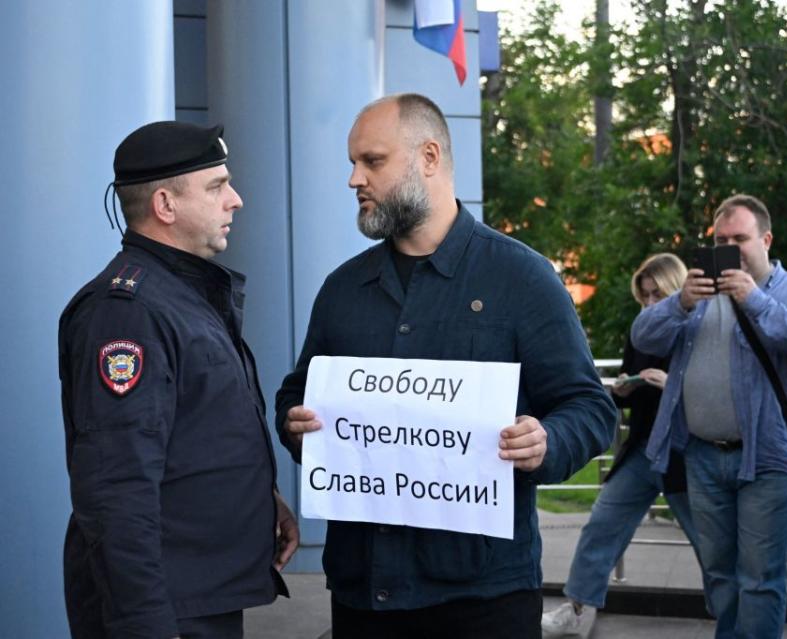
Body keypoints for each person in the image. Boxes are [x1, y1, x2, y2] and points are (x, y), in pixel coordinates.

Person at [273, 93, 616, 639]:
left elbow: (590, 407)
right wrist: (297, 423)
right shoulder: (342, 290)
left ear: (429, 157)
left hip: (483, 598)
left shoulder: (522, 278)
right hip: (365, 595)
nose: (354, 179)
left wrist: (546, 440)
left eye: (372, 161)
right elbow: (296, 394)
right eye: (352, 163)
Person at [58, 121, 299, 639]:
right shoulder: (128, 313)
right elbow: (116, 488)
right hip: (164, 607)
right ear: (165, 205)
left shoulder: (181, 295)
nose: (235, 200)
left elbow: (196, 430)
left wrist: (263, 500)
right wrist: (146, 624)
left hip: (197, 592)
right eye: (216, 186)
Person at [632, 194, 787, 638]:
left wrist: (755, 300)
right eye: (721, 239)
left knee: (760, 576)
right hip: (703, 455)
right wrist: (678, 302)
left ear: (766, 239)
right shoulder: (697, 294)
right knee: (718, 570)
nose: (730, 247)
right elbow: (644, 336)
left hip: (769, 456)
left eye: (740, 238)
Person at [541, 253, 705, 638]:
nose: (649, 303)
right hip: (644, 449)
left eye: (656, 294)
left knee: (709, 543)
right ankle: (579, 611)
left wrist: (674, 386)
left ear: (676, 289)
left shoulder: (700, 325)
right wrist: (624, 390)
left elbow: (715, 394)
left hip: (683, 453)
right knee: (602, 524)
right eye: (644, 295)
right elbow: (631, 398)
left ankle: (732, 617)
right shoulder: (643, 327)